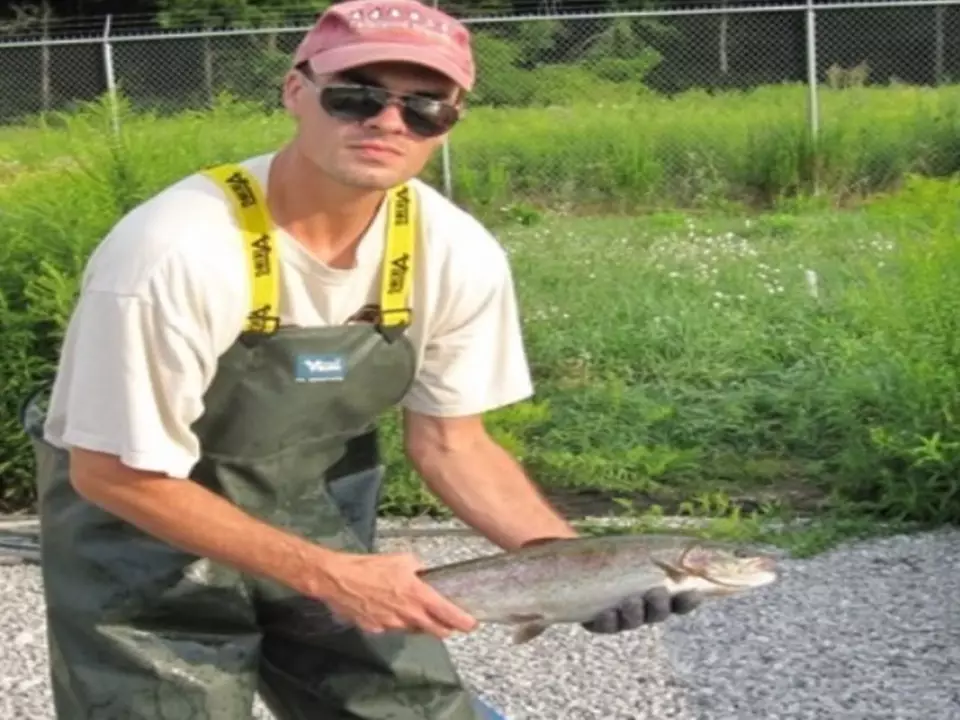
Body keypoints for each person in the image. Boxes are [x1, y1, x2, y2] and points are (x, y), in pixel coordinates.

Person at [20, 1, 703, 718]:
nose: (386, 122)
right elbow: (113, 473)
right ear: (295, 91)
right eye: (356, 94)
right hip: (139, 541)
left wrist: (578, 569)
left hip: (313, 520)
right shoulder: (174, 252)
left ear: (452, 119)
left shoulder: (453, 252)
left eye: (424, 107)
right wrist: (331, 576)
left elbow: (450, 441)